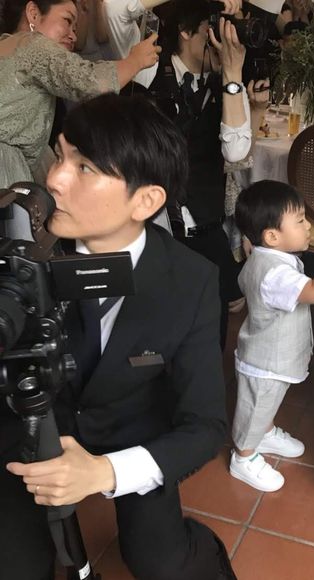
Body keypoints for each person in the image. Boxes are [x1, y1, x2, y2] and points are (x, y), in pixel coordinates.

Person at [0, 93, 235, 579]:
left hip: (133, 433)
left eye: (84, 167)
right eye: (60, 155)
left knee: (162, 563)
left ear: (145, 200)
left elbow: (206, 424)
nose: (54, 179)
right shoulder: (23, 258)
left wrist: (105, 472)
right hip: (30, 427)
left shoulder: (190, 281)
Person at [105, 0, 267, 347]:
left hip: (206, 232)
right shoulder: (148, 67)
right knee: (156, 340)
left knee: (210, 338)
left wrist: (233, 76)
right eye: (212, 26)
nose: (221, 35)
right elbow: (116, 9)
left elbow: (236, 152)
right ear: (185, 30)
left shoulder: (227, 84)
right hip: (153, 233)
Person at [229, 180, 314, 491]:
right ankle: (243, 457)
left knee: (268, 402)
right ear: (272, 237)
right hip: (265, 362)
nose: (308, 226)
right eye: (300, 221)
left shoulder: (267, 256)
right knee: (256, 407)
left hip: (272, 357)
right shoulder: (275, 273)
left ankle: (265, 433)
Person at [0, 0, 159, 192]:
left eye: (75, 28)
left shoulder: (6, 45)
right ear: (33, 13)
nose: (73, 35)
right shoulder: (34, 45)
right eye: (67, 21)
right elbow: (91, 82)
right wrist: (135, 61)